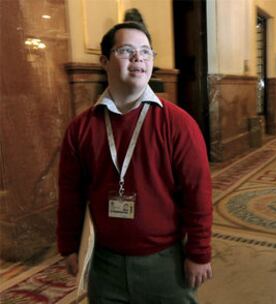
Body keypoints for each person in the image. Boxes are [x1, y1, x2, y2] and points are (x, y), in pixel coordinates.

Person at [57, 22, 213, 303]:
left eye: (145, 51)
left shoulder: (178, 124)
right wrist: (68, 245)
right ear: (104, 61)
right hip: (105, 264)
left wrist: (199, 253)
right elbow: (71, 194)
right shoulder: (81, 128)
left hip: (165, 263)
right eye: (126, 50)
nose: (138, 58)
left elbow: (197, 194)